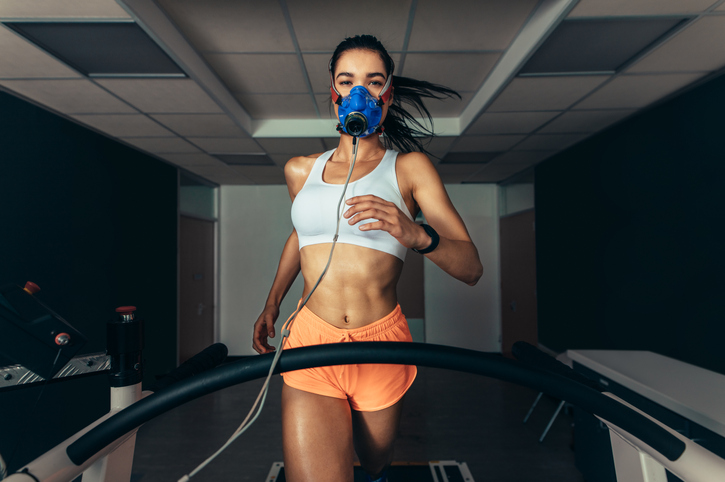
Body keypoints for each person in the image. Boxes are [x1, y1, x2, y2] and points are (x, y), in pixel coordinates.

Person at [252, 34, 483, 482]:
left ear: (388, 94)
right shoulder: (300, 169)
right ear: (333, 95)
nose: (360, 91)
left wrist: (416, 234)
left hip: (380, 342)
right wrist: (272, 301)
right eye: (347, 80)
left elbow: (472, 268)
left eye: (373, 81)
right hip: (310, 341)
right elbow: (303, 233)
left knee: (375, 463)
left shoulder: (410, 168)